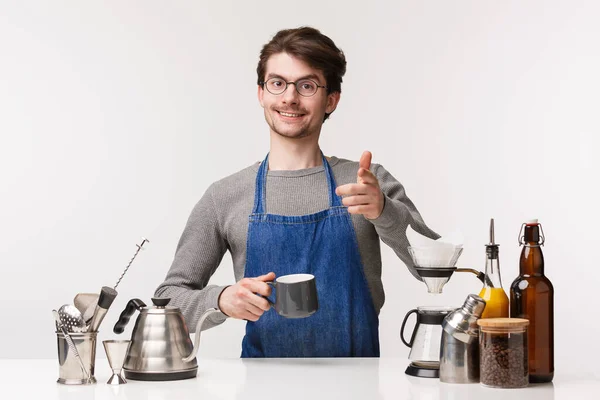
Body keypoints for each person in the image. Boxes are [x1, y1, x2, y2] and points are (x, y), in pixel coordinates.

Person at [154, 26, 439, 357]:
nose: (289, 97)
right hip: (262, 387)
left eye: (307, 85)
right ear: (261, 93)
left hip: (358, 385)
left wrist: (383, 212)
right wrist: (221, 300)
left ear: (331, 100)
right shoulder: (225, 196)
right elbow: (168, 298)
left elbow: (435, 268)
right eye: (277, 83)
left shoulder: (366, 183)